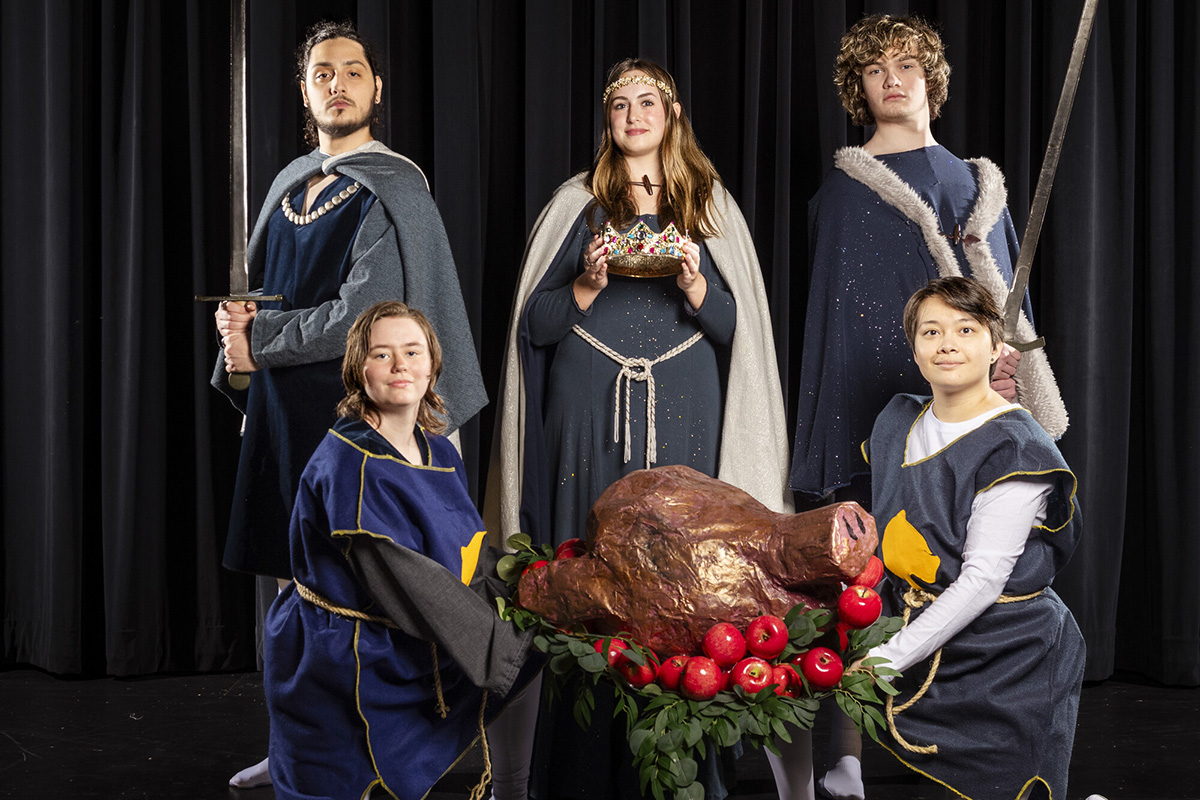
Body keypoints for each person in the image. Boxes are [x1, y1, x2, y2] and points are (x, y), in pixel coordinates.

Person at [487, 59, 794, 799]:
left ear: (673, 111)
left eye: (646, 101)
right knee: (592, 572)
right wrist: (587, 285)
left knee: (684, 574)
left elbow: (736, 331)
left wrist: (694, 281)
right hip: (586, 416)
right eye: (619, 104)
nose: (633, 115)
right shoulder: (578, 205)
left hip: (689, 413)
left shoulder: (708, 206)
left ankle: (685, 770)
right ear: (607, 119)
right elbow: (536, 327)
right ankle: (580, 770)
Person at [786, 16, 1068, 797]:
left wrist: (1007, 369)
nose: (894, 80)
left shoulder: (979, 186)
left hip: (965, 416)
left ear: (932, 81)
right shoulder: (844, 192)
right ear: (858, 89)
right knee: (848, 597)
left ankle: (981, 753)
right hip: (865, 414)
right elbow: (835, 326)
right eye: (875, 70)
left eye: (908, 66)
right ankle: (841, 767)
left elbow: (1006, 306)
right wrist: (832, 435)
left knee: (974, 577)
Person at [211, 21, 485, 788]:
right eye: (322, 73)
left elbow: (359, 314)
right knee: (288, 593)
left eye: (353, 71)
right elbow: (258, 299)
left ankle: (381, 749)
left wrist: (259, 340)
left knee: (351, 594)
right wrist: (235, 342)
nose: (338, 83)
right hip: (278, 417)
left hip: (347, 423)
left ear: (376, 89)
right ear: (306, 92)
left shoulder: (396, 190)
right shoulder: (288, 185)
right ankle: (293, 743)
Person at [264, 301, 536, 800]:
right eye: (381, 354)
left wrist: (536, 582)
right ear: (357, 370)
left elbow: (465, 548)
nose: (399, 365)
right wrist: (503, 650)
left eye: (412, 351)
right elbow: (407, 578)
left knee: (532, 634)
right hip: (348, 646)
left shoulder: (438, 449)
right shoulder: (351, 463)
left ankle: (511, 791)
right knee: (341, 777)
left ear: (432, 364)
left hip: (408, 621)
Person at [859, 276, 1085, 799]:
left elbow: (982, 580)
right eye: (930, 331)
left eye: (965, 329)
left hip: (1008, 654)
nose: (947, 344)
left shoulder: (1014, 447)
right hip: (921, 627)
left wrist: (887, 658)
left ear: (996, 346)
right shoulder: (898, 419)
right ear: (913, 348)